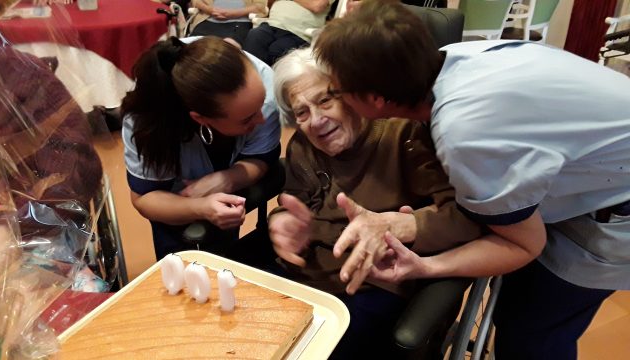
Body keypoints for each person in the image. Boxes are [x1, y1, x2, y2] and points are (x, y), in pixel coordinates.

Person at [312, 1, 630, 359]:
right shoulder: (454, 55)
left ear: (374, 99)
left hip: (616, 211)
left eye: (337, 92)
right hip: (602, 157)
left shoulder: (465, 134)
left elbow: (526, 245)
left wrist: (425, 267)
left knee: (532, 333)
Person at [269, 47, 481, 359]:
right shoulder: (303, 145)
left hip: (378, 284)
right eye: (301, 112)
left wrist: (406, 226)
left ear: (350, 95)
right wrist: (283, 220)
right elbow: (296, 202)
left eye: (325, 101)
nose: (315, 121)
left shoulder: (402, 134)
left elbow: (464, 216)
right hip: (310, 280)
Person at [121, 36, 281, 261]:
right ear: (201, 119)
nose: (262, 120)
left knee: (226, 251)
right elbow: (145, 198)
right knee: (180, 262)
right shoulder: (148, 117)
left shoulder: (264, 89)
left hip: (226, 191)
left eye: (261, 106)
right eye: (247, 120)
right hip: (172, 201)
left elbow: (261, 158)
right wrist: (200, 207)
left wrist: (229, 178)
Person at [243, 0, 333, 65]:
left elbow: (317, 5)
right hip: (272, 24)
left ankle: (270, 88)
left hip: (298, 32)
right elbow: (269, 6)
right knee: (254, 36)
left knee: (276, 49)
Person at [189, 0, 268, 46]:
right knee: (191, 46)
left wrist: (233, 13)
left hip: (239, 22)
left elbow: (260, 6)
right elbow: (196, 1)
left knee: (227, 50)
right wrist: (209, 10)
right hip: (207, 19)